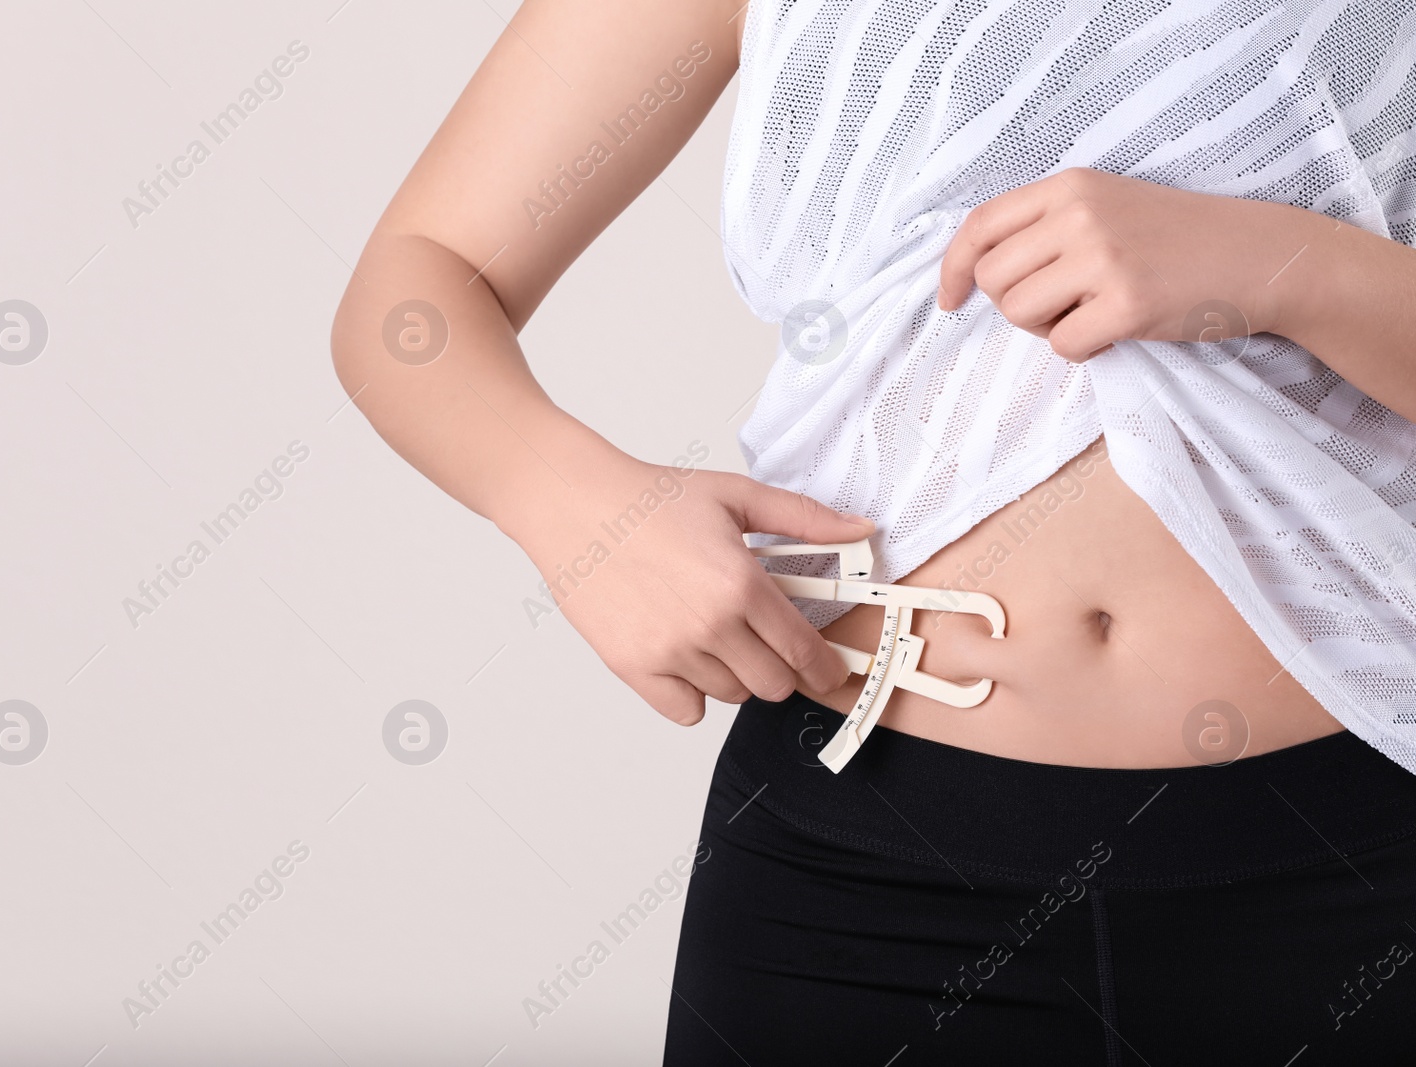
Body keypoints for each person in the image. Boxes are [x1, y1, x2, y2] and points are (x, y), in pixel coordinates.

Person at [332, 1, 1416, 1061]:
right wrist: (577, 507)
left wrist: (1295, 271)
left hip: (1362, 839)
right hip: (862, 880)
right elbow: (418, 280)